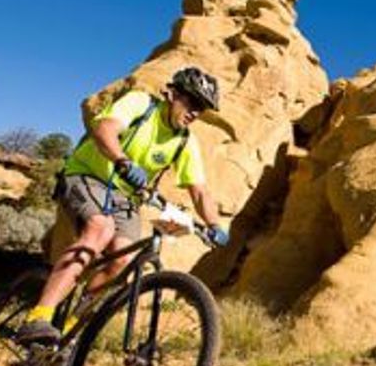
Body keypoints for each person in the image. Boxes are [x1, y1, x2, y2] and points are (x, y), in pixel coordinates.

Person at [15, 66, 230, 344]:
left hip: (125, 199)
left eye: (202, 109)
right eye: (192, 102)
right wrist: (122, 160)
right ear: (172, 93)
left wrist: (214, 225)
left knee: (123, 261)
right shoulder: (142, 105)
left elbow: (199, 190)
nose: (195, 112)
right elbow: (105, 129)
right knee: (99, 227)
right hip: (87, 175)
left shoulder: (184, 142)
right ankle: (38, 317)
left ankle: (66, 334)